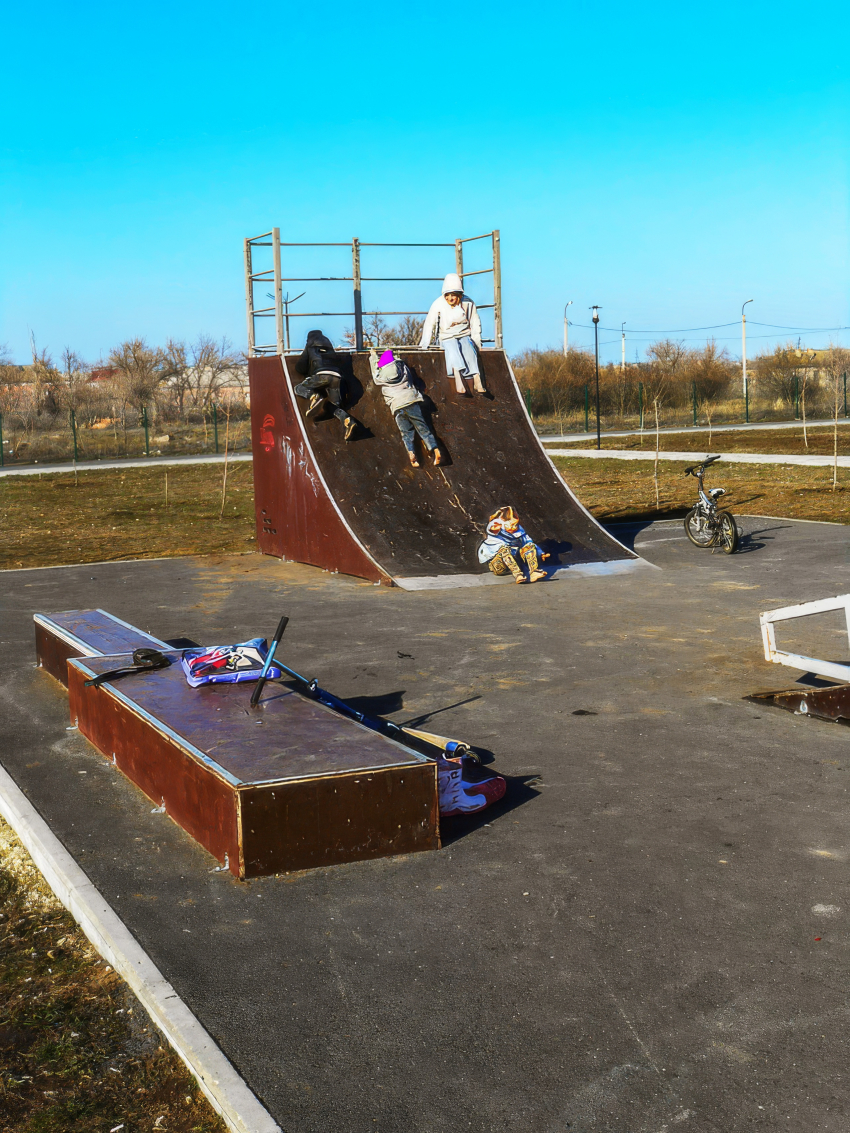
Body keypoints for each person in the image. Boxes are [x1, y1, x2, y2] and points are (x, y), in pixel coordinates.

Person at [419, 273, 489, 397]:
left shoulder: (468, 303)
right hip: (447, 336)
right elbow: (430, 323)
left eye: (454, 295)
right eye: (447, 295)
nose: (450, 298)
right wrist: (425, 344)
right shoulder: (438, 304)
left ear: (460, 295)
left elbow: (474, 321)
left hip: (463, 334)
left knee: (468, 348)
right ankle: (458, 378)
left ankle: (476, 378)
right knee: (452, 348)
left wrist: (477, 342)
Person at [370, 349, 443, 467]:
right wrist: (396, 357)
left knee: (406, 433)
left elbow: (375, 371)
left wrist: (373, 356)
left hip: (397, 405)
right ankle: (435, 450)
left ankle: (411, 454)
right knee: (423, 428)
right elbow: (408, 375)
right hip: (411, 400)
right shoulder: (402, 369)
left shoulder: (381, 377)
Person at [293, 329, 357, 441]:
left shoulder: (310, 345)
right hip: (337, 377)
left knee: (298, 388)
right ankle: (347, 420)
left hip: (322, 375)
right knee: (332, 406)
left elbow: (300, 366)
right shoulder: (330, 347)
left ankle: (314, 396)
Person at [478, 506, 548, 583]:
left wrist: (540, 552)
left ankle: (534, 571)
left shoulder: (518, 529)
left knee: (529, 546)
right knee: (504, 550)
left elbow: (527, 541)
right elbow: (491, 529)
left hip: (517, 560)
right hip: (499, 565)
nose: (513, 528)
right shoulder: (496, 525)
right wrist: (495, 528)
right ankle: (518, 575)